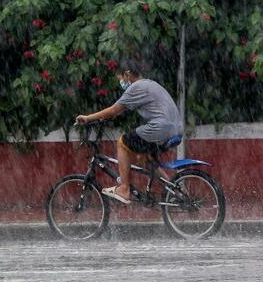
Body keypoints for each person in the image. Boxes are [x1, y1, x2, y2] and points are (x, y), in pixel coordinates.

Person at [75, 59, 183, 204]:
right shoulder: (150, 84)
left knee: (123, 142)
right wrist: (110, 115)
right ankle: (175, 191)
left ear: (127, 74)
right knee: (145, 159)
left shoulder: (136, 87)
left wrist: (88, 118)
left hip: (161, 128)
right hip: (175, 129)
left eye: (120, 78)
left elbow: (114, 110)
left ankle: (124, 189)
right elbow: (119, 111)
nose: (121, 82)